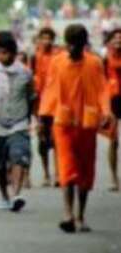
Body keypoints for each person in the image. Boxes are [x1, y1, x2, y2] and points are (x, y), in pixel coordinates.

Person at [40, 24, 112, 233]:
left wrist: (106, 112)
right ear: (66, 43)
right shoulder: (57, 62)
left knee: (85, 170)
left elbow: (102, 89)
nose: (72, 49)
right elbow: (50, 89)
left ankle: (80, 215)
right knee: (66, 168)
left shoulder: (94, 63)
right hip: (63, 123)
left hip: (87, 124)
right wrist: (44, 117)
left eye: (77, 44)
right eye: (70, 44)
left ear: (84, 44)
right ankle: (68, 214)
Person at [0, 32, 34, 212]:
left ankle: (16, 195)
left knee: (18, 156)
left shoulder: (25, 73)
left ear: (13, 53)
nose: (1, 56)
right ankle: (5, 196)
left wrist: (32, 118)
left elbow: (31, 97)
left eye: (5, 52)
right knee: (1, 165)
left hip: (19, 123)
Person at [31, 27, 59, 187]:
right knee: (42, 140)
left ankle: (58, 174)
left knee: (57, 139)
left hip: (56, 103)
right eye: (44, 38)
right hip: (41, 104)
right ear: (39, 40)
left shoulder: (58, 57)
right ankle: (46, 174)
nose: (46, 41)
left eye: (49, 38)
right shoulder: (35, 57)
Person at [102, 28, 121, 192]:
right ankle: (114, 178)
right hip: (113, 102)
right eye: (115, 38)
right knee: (113, 141)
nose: (118, 41)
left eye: (120, 38)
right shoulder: (105, 60)